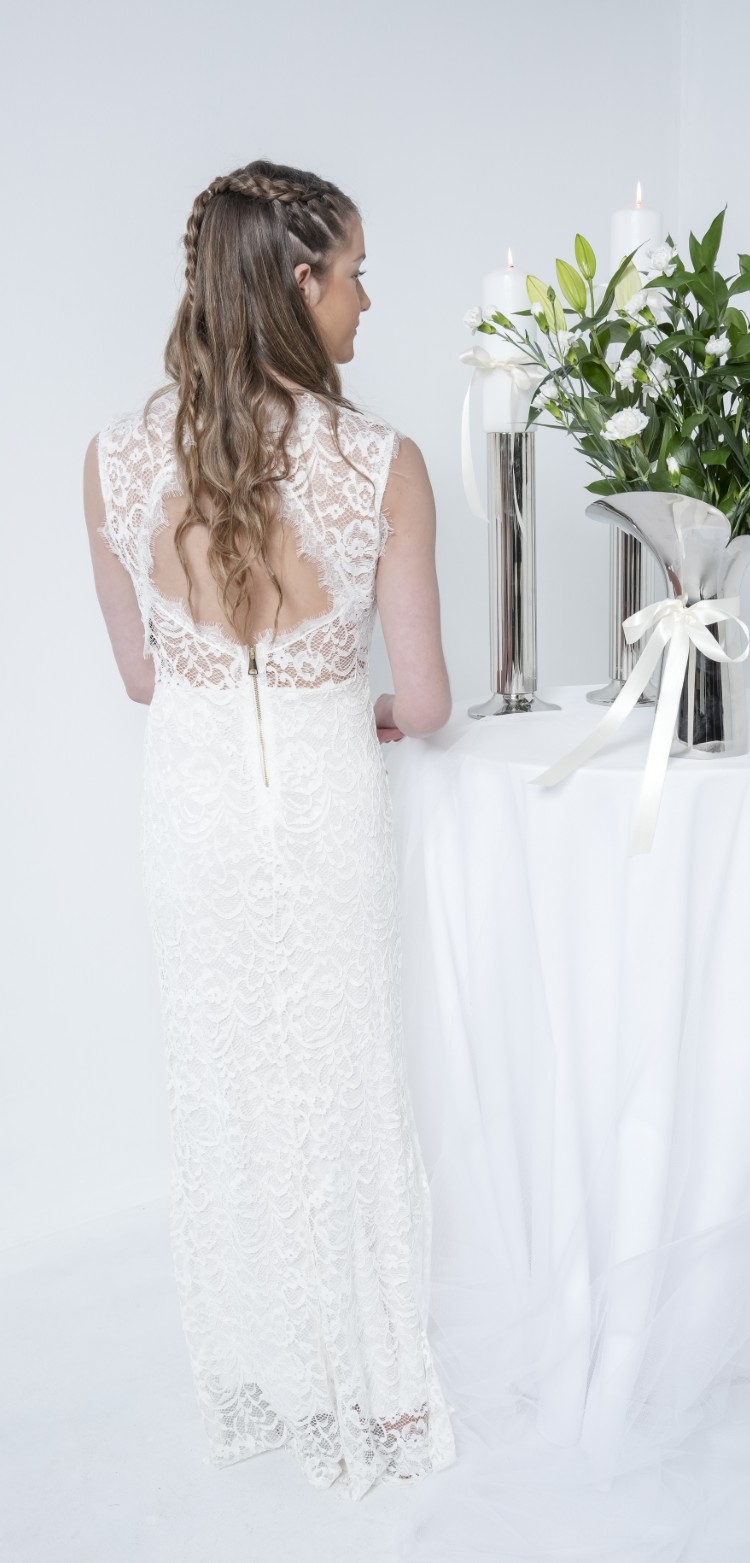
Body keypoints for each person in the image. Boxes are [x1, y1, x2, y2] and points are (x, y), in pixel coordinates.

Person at [81, 158, 457, 1500]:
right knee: (343, 1081)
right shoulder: (382, 465)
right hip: (321, 801)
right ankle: (378, 1395)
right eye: (354, 272)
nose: (366, 300)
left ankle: (260, 1376)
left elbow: (143, 679)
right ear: (298, 283)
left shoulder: (113, 459)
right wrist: (373, 712)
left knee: (226, 1080)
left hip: (190, 811)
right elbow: (426, 701)